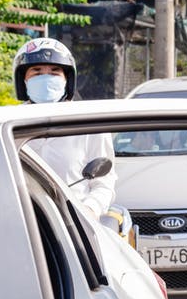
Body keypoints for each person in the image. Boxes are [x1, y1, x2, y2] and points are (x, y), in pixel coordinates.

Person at [15, 38, 117, 220]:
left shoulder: (88, 124)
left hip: (73, 224)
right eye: (37, 72)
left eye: (55, 72)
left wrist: (89, 211)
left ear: (67, 80)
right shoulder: (8, 125)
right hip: (20, 220)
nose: (46, 78)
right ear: (23, 79)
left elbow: (104, 183)